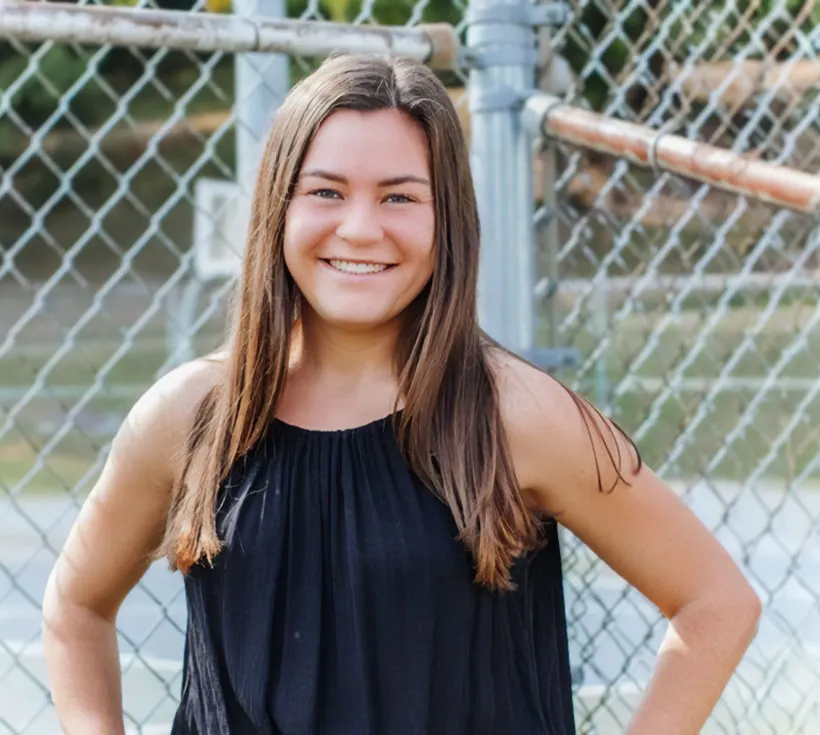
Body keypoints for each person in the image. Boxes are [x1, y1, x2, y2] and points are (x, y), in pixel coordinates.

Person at [41, 53, 761, 735]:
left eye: (399, 196)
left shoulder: (519, 415)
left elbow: (715, 603)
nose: (360, 227)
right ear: (277, 209)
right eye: (325, 191)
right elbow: (76, 603)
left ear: (445, 218)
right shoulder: (192, 414)